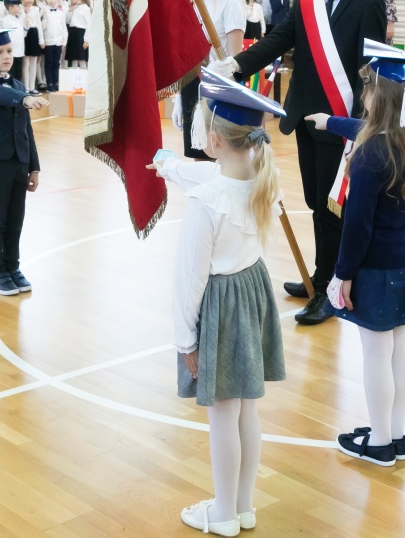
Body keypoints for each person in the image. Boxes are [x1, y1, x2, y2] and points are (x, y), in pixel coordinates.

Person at [209, 0, 387, 326]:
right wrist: (235, 66)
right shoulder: (307, 3)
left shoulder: (367, 4)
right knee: (315, 204)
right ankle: (322, 276)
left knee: (332, 208)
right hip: (306, 118)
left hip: (340, 122)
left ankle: (330, 286)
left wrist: (359, 125)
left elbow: (370, 69)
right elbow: (276, 40)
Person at [153, 69, 285, 537]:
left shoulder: (208, 202)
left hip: (222, 305)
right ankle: (242, 506)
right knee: (247, 408)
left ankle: (223, 514)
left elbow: (188, 282)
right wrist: (167, 163)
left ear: (211, 138)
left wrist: (184, 339)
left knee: (222, 416)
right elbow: (207, 172)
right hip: (251, 294)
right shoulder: (258, 177)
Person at [307, 41, 405, 467]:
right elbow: (365, 130)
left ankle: (379, 442)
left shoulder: (369, 156)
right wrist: (331, 123)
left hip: (375, 268)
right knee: (402, 349)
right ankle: (396, 433)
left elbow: (357, 225)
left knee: (375, 355)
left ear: (379, 98)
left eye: (367, 88)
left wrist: (341, 274)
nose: (361, 95)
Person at [0, 28, 49, 296]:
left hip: (20, 162)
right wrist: (25, 98)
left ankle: (13, 268)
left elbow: (27, 130)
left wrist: (34, 166)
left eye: (9, 51)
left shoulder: (16, 85)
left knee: (16, 218)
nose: (6, 56)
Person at [179, 0, 247, 161]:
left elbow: (235, 61)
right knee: (197, 157)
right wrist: (180, 96)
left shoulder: (232, 0)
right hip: (193, 84)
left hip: (217, 88)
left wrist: (218, 90)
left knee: (215, 160)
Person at [18, 0, 44, 93]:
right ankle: (26, 87)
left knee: (34, 62)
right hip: (24, 35)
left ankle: (32, 86)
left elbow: (39, 25)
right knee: (26, 63)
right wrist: (24, 13)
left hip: (33, 34)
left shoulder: (35, 9)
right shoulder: (19, 8)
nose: (30, 0)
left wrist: (41, 40)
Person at [40, 0, 67, 93]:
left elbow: (64, 28)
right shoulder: (43, 10)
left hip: (58, 42)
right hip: (48, 42)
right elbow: (41, 27)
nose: (51, 0)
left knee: (57, 62)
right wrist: (45, 17)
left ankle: (56, 82)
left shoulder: (61, 12)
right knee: (49, 63)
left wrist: (64, 42)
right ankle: (49, 83)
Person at [0, 0, 26, 81]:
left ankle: (17, 89)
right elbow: (5, 35)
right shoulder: (6, 20)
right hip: (11, 50)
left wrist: (26, 28)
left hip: (20, 49)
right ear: (10, 7)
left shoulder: (19, 19)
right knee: (11, 71)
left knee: (18, 70)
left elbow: (22, 35)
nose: (19, 7)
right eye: (17, 6)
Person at [64, 0, 90, 69]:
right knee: (73, 58)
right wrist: (70, 10)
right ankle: (73, 79)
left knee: (81, 58)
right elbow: (67, 21)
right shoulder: (74, 8)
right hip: (72, 34)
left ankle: (84, 79)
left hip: (80, 35)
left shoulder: (85, 8)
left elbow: (89, 25)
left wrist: (86, 40)